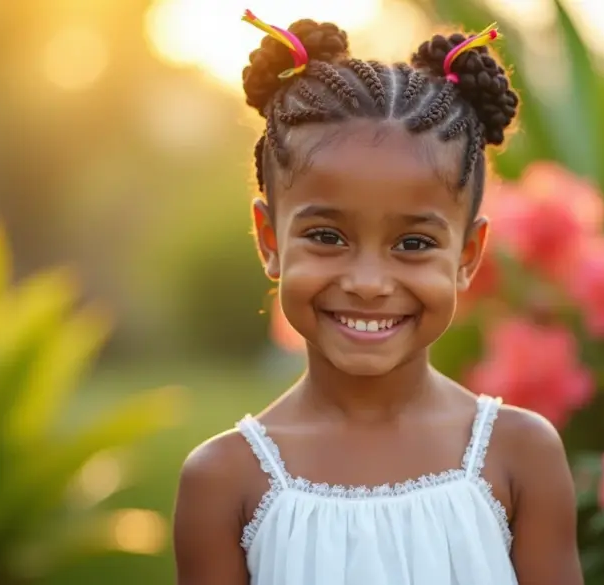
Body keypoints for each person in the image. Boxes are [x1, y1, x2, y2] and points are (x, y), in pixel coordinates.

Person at [172, 10, 583, 585]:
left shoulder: (520, 457)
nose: (368, 281)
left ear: (467, 255)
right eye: (327, 237)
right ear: (270, 241)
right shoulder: (225, 481)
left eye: (413, 243)